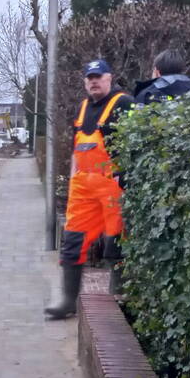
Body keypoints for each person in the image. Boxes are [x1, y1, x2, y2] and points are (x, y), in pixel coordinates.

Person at [45, 60, 134, 319]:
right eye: (89, 78)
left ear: (109, 77)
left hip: (112, 185)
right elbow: (77, 148)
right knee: (72, 242)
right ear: (85, 81)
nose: (94, 81)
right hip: (83, 186)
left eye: (98, 76)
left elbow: (137, 143)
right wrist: (73, 178)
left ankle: (118, 299)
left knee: (114, 243)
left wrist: (125, 178)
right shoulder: (84, 108)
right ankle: (67, 301)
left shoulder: (124, 103)